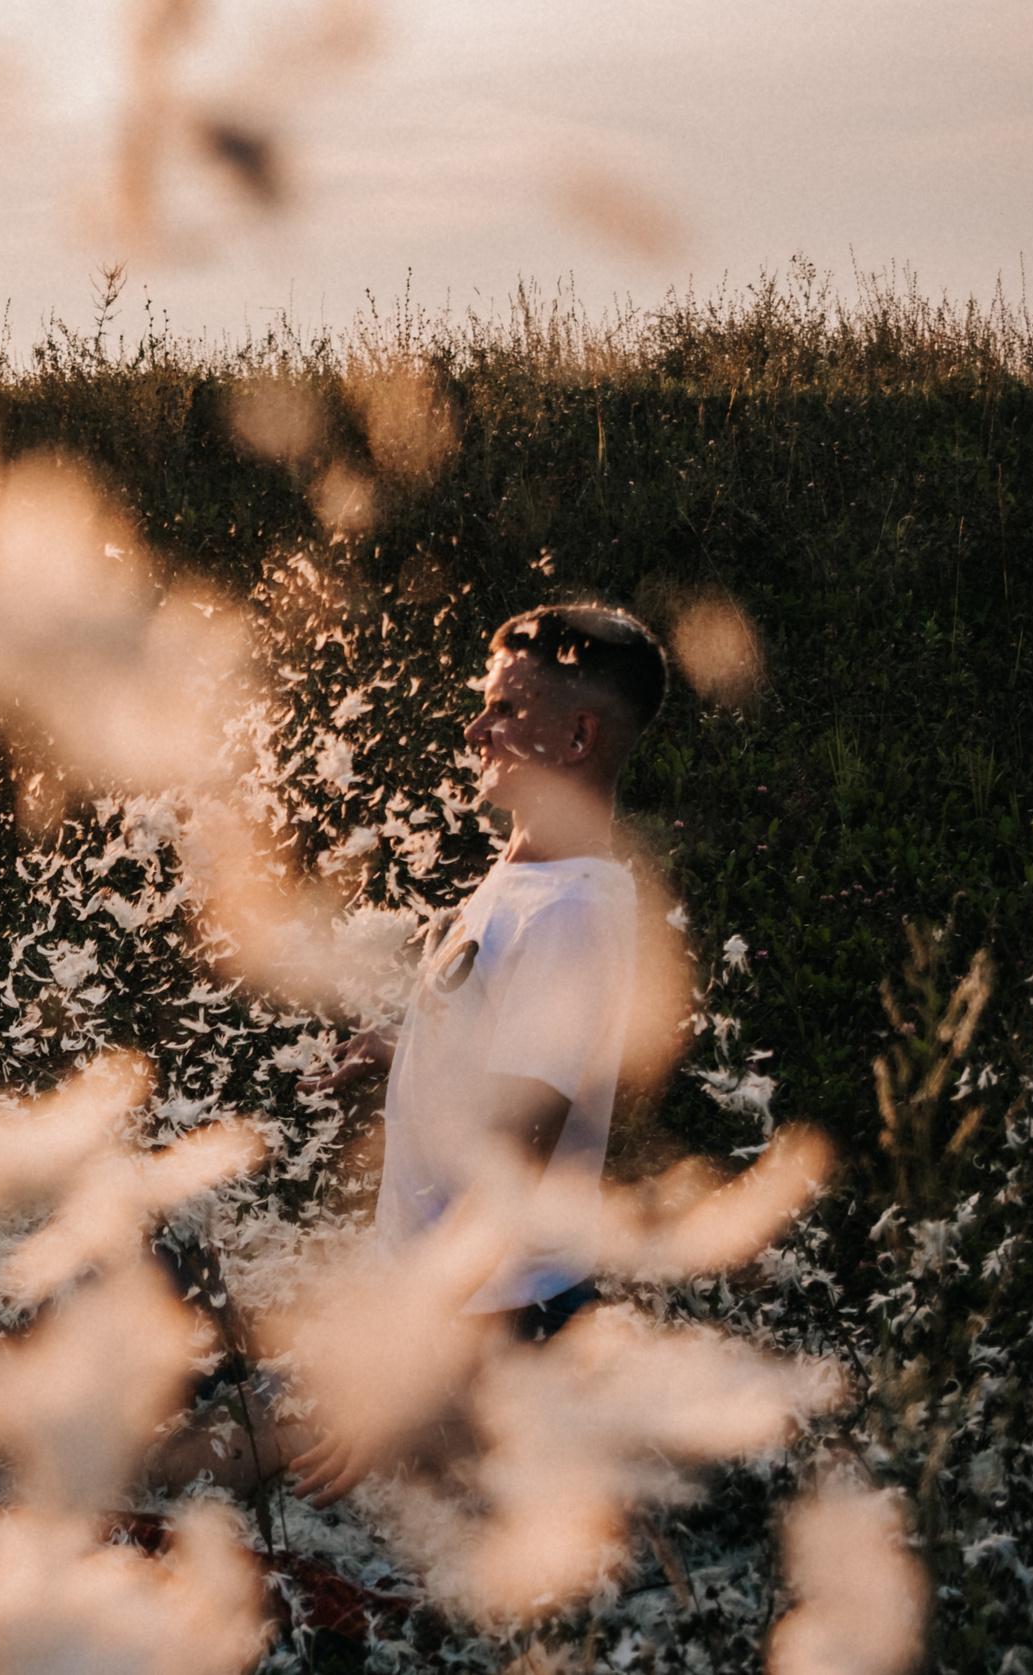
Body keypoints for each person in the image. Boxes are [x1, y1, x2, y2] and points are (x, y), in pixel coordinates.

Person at [286, 602, 670, 1507]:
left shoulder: (574, 914)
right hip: (454, 1300)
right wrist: (402, 1050)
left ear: (578, 736)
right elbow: (499, 1045)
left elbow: (511, 1166)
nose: (475, 728)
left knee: (249, 1450)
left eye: (506, 710)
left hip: (497, 1318)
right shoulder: (527, 872)